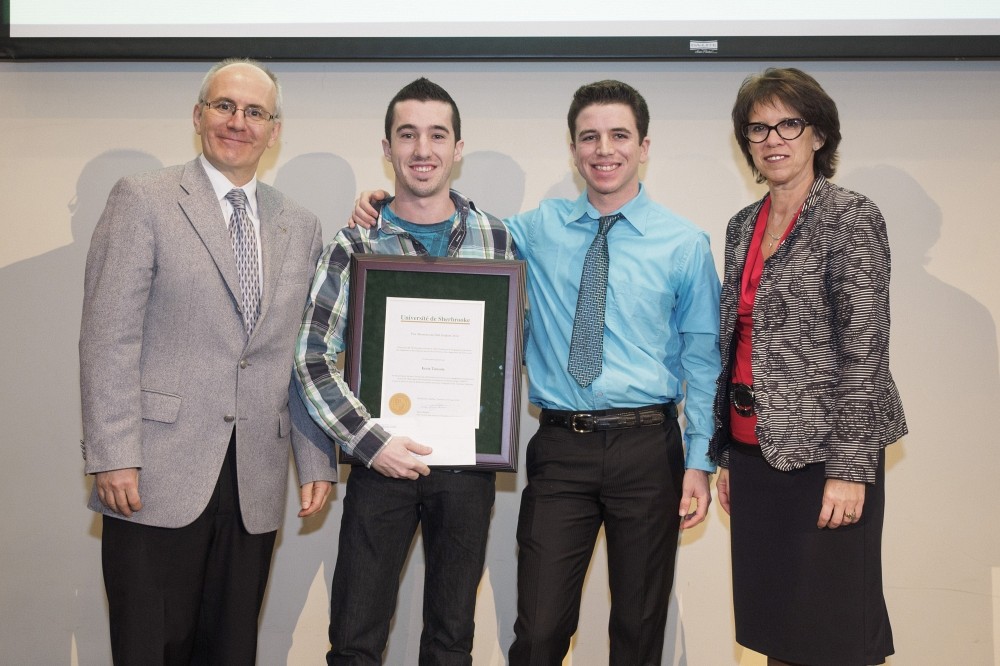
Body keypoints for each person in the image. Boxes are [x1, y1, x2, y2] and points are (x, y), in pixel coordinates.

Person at [352, 79, 722, 666]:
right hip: (561, 448)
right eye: (589, 137)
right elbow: (452, 226)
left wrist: (700, 461)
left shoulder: (684, 244)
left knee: (639, 626)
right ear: (573, 150)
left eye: (619, 135)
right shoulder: (527, 231)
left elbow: (703, 361)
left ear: (644, 146)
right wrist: (385, 203)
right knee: (540, 631)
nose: (604, 150)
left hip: (650, 450)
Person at [79, 58, 337, 665]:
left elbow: (302, 355)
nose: (238, 122)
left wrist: (315, 458)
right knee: (149, 647)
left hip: (254, 477)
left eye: (255, 112)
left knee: (230, 649)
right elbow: (107, 336)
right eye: (224, 106)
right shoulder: (143, 199)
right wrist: (113, 453)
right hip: (153, 472)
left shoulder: (300, 226)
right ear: (198, 116)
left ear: (274, 131)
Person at [294, 78, 516, 665]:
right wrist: (373, 443)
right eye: (408, 135)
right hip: (380, 462)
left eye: (437, 135)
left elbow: (509, 349)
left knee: (451, 641)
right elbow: (311, 356)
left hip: (467, 467)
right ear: (387, 148)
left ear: (458, 148)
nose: (423, 149)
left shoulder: (497, 237)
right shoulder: (355, 242)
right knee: (355, 639)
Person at [710, 67, 907, 666]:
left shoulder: (851, 217)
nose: (773, 139)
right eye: (758, 128)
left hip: (826, 458)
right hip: (754, 454)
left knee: (833, 633)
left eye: (788, 124)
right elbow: (736, 345)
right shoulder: (741, 226)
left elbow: (866, 351)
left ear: (818, 134)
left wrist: (849, 470)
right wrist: (727, 456)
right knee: (779, 630)